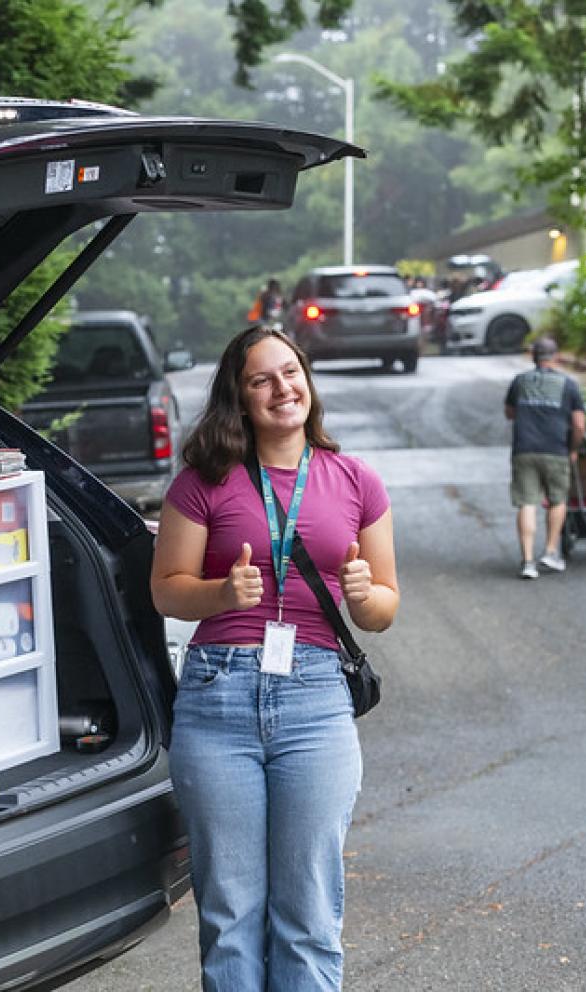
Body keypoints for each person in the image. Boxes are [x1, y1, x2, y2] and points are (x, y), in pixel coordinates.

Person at [150, 325, 399, 991]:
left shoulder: (356, 481)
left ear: (307, 381)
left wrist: (363, 593)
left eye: (290, 372)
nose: (281, 388)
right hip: (218, 697)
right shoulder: (204, 481)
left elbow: (384, 607)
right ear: (240, 397)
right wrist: (220, 593)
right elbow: (166, 590)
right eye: (261, 379)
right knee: (230, 914)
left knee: (308, 913)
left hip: (315, 698)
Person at [504, 336, 586, 579]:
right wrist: (573, 448)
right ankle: (550, 552)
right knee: (558, 500)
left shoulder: (520, 381)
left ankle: (528, 562)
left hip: (524, 449)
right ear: (557, 357)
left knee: (527, 503)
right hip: (556, 449)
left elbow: (510, 412)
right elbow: (579, 425)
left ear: (533, 357)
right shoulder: (569, 385)